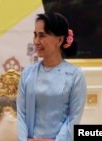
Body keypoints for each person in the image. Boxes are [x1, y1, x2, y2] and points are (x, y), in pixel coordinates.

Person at [17, 12, 87, 141]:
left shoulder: (75, 75)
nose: (36, 42)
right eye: (35, 35)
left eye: (42, 36)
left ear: (59, 40)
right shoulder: (27, 73)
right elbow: (20, 114)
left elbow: (73, 119)